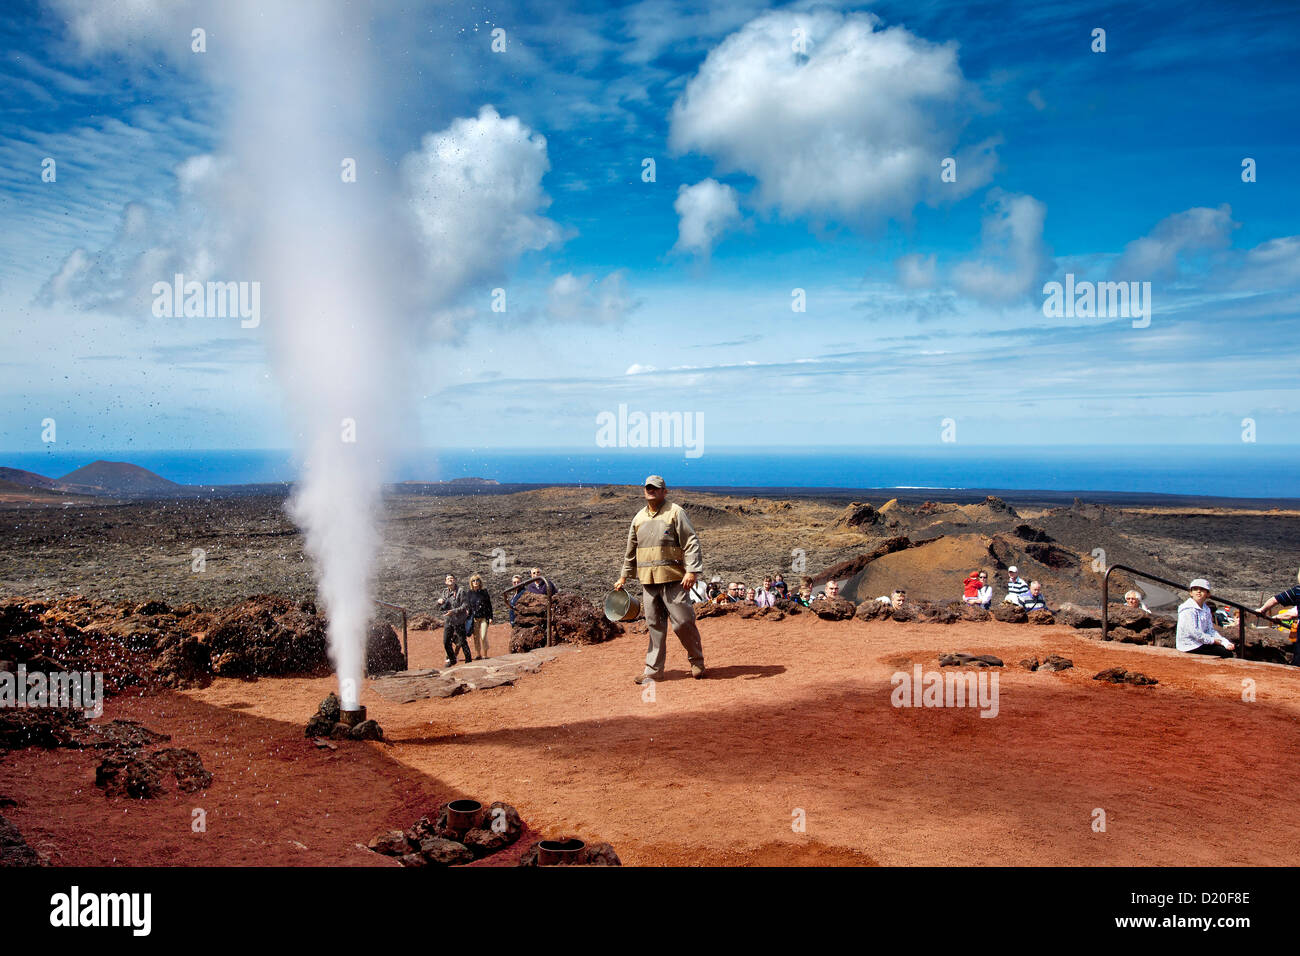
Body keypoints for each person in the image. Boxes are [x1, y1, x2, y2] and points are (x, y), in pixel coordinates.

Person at [614, 475, 707, 682]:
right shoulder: (638, 519)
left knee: (683, 622)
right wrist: (623, 577)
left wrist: (692, 571)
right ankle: (653, 670)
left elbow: (691, 542)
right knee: (654, 625)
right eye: (648, 488)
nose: (651, 491)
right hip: (648, 582)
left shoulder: (675, 512)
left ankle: (697, 660)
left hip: (674, 579)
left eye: (656, 488)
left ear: (665, 491)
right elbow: (630, 551)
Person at [1176, 578, 1234, 657]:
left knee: (1226, 650)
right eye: (1195, 589)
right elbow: (1193, 632)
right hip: (1189, 645)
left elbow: (1210, 630)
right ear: (1191, 593)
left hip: (1200, 642)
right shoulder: (1187, 609)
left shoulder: (1206, 609)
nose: (1198, 591)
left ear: (1208, 594)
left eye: (1202, 589)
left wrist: (1224, 641)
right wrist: (1213, 641)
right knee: (1225, 653)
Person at [1256, 568, 1300, 665]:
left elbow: (1276, 599)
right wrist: (1278, 616)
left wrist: (1262, 610)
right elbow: (1293, 613)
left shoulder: (1298, 590)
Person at [435, 574, 472, 666]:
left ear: (455, 580)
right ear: (445, 582)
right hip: (449, 621)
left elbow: (465, 605)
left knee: (462, 641)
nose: (450, 580)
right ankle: (452, 659)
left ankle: (468, 660)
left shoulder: (461, 591)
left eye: (451, 578)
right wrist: (439, 602)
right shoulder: (445, 592)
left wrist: (453, 611)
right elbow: (441, 606)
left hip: (458, 621)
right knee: (446, 641)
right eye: (448, 579)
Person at [465, 573, 494, 660]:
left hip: (484, 617)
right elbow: (468, 605)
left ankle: (485, 654)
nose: (475, 582)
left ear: (480, 582)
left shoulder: (484, 592)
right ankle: (478, 654)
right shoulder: (469, 593)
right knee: (476, 636)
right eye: (473, 580)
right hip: (474, 618)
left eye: (477, 580)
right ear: (471, 582)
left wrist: (491, 617)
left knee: (483, 635)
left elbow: (489, 605)